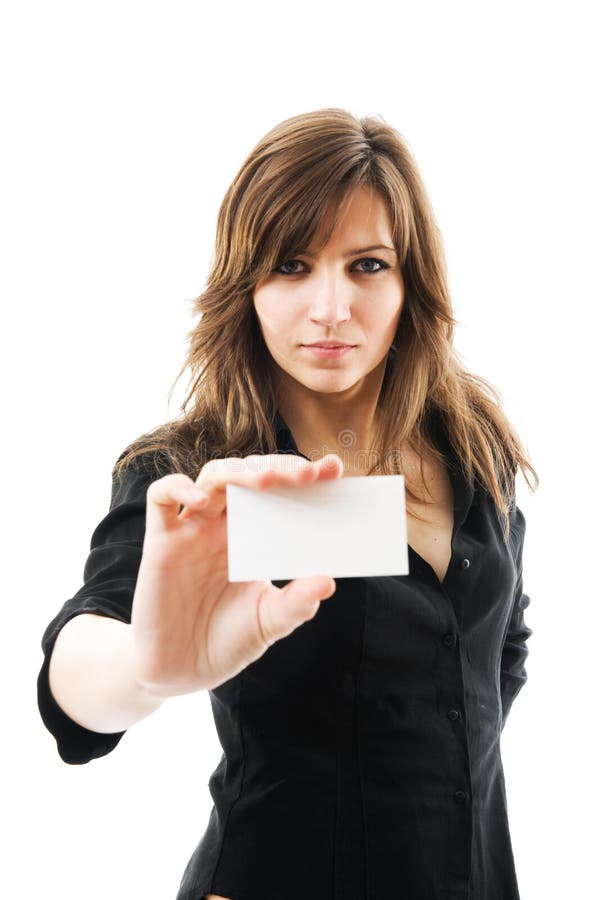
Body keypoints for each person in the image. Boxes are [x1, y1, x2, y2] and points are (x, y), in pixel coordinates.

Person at [37, 107, 538, 900]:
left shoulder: (471, 445)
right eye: (292, 265)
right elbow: (84, 657)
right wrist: (143, 669)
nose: (332, 308)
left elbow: (497, 647)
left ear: (412, 281)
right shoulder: (199, 476)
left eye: (367, 265)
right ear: (247, 286)